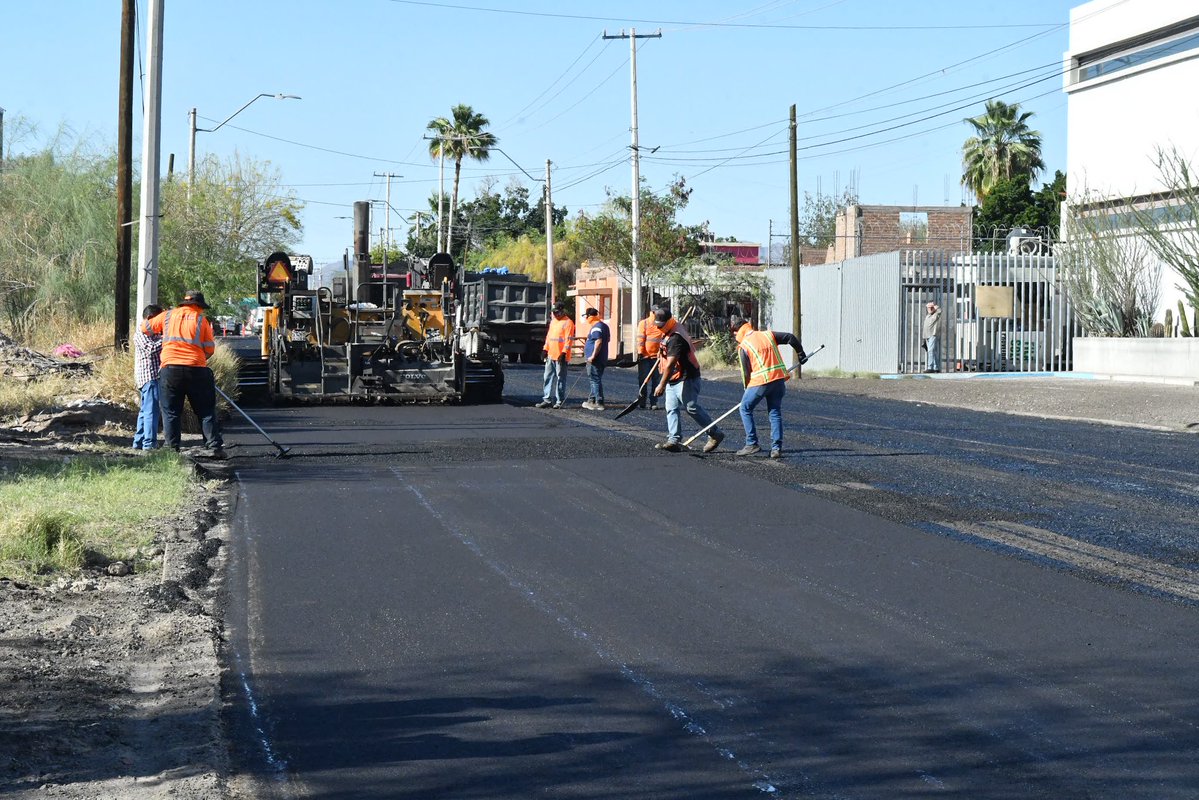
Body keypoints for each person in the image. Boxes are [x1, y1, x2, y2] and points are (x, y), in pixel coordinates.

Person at [141, 289, 225, 458]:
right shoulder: (201, 320)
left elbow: (145, 328)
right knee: (205, 410)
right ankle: (213, 446)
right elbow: (209, 349)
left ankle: (172, 448)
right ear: (198, 305)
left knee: (171, 411)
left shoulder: (167, 316)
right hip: (197, 369)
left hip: (170, 370)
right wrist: (198, 358)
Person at [729, 315, 807, 459]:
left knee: (745, 408)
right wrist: (801, 353)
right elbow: (790, 337)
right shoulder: (767, 335)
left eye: (733, 333)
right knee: (774, 412)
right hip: (778, 380)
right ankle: (776, 448)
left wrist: (747, 390)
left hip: (760, 382)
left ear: (737, 331)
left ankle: (751, 443)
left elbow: (746, 372)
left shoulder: (744, 346)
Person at [652, 307, 724, 453]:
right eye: (657, 324)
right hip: (674, 377)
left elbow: (671, 364)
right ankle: (673, 439)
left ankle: (715, 434)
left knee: (691, 407)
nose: (658, 328)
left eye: (661, 325)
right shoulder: (669, 330)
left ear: (669, 321)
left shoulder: (676, 338)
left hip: (687, 377)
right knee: (671, 408)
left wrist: (661, 384)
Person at [132, 303, 164, 451]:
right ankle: (149, 444)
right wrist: (168, 340)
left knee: (145, 411)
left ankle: (138, 442)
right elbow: (151, 349)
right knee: (151, 411)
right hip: (148, 377)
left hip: (151, 377)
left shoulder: (154, 335)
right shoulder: (140, 333)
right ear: (150, 318)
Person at [535, 302, 575, 409]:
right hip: (551, 355)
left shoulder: (568, 323)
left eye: (557, 312)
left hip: (560, 357)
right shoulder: (553, 322)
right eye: (554, 312)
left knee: (560, 378)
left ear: (562, 310)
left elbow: (568, 340)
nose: (555, 314)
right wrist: (545, 349)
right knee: (547, 377)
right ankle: (546, 399)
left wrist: (564, 353)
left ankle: (559, 401)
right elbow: (549, 337)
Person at [635, 305, 665, 410]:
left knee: (656, 380)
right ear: (652, 312)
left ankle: (654, 402)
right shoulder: (644, 323)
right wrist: (640, 352)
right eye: (655, 312)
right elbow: (640, 338)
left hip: (657, 357)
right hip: (645, 357)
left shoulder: (662, 323)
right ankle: (642, 401)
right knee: (643, 380)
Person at [581, 307, 610, 411]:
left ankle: (598, 402)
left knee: (594, 380)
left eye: (586, 316)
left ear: (589, 316)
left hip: (595, 359)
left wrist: (593, 356)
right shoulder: (604, 326)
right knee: (596, 379)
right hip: (602, 358)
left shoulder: (596, 327)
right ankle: (591, 400)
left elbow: (598, 341)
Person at [923, 301, 943, 373]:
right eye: (929, 307)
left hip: (933, 334)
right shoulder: (928, 315)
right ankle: (936, 367)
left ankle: (930, 367)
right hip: (927, 335)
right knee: (933, 351)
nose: (930, 309)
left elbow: (939, 310)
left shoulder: (936, 314)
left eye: (931, 307)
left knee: (931, 350)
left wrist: (934, 306)